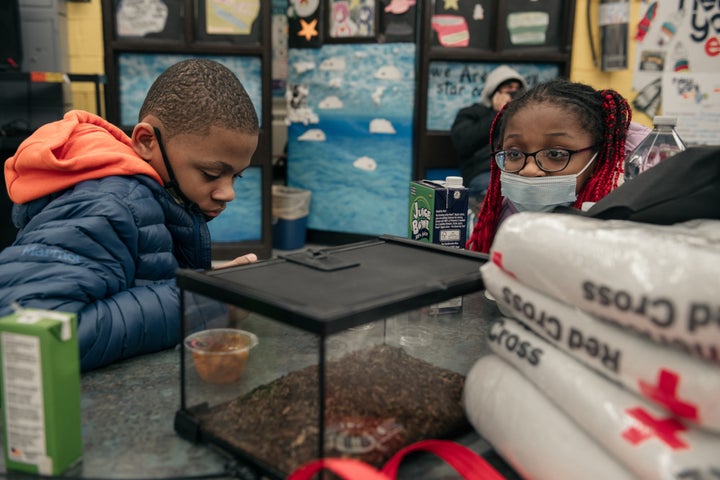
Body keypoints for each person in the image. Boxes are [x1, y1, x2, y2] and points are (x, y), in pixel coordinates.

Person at [0, 59, 260, 371]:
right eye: (211, 173)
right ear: (146, 141)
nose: (228, 193)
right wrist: (207, 301)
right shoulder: (109, 204)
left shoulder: (154, 198)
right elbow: (35, 336)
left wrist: (210, 284)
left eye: (237, 177)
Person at [466, 78, 652, 253]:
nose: (529, 170)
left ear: (598, 157)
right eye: (514, 154)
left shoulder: (632, 229)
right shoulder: (500, 214)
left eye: (556, 154)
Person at [450, 65, 527, 204]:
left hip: (519, 172)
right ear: (494, 91)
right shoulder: (471, 113)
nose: (514, 92)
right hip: (485, 173)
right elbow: (464, 143)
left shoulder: (525, 116)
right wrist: (498, 113)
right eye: (509, 87)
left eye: (518, 89)